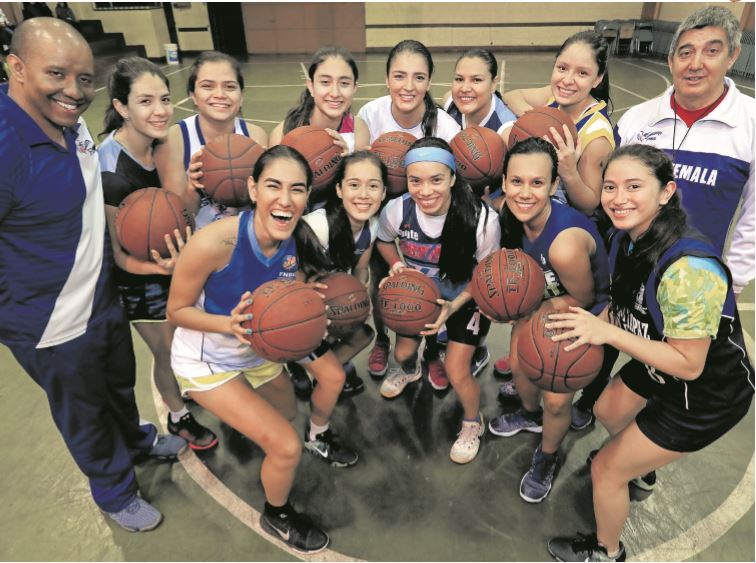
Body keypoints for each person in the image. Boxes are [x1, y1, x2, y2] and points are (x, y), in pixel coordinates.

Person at [0, 18, 186, 533]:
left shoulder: (70, 122)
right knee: (83, 411)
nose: (73, 91)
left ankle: (136, 441)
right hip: (49, 320)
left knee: (118, 386)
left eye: (84, 79)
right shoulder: (6, 145)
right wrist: (16, 310)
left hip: (102, 298)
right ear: (15, 67)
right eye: (56, 74)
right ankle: (114, 490)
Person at [546, 144, 754, 562]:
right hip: (661, 360)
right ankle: (643, 464)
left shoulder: (689, 269)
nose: (618, 197)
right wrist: (592, 318)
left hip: (707, 392)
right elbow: (626, 303)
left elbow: (689, 365)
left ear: (665, 192)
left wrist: (605, 332)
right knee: (606, 409)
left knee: (606, 470)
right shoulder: (628, 238)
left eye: (634, 186)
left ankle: (606, 551)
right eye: (610, 187)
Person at [167, 145, 358, 553]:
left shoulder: (298, 237)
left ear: (308, 196)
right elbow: (177, 310)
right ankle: (278, 513)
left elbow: (288, 284)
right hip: (207, 361)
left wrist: (305, 297)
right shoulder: (213, 242)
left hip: (259, 350)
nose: (285, 199)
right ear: (253, 188)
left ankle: (273, 435)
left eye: (297, 189)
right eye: (273, 186)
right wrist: (229, 324)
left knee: (288, 416)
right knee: (285, 445)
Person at [575, 5, 755, 432]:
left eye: (711, 51)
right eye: (685, 52)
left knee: (666, 361)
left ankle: (643, 448)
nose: (696, 64)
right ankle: (592, 395)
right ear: (671, 59)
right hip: (630, 266)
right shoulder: (639, 119)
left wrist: (732, 278)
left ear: (732, 56)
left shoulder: (751, 123)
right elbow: (612, 191)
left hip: (684, 280)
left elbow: (754, 214)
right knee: (612, 338)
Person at [98, 57, 217, 450]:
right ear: (121, 107)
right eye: (145, 101)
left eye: (164, 99)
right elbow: (118, 256)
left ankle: (185, 391)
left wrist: (195, 185)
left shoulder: (166, 142)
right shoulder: (110, 170)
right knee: (165, 351)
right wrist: (162, 269)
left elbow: (178, 212)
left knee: (186, 338)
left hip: (173, 265)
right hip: (137, 278)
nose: (161, 110)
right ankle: (179, 417)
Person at [487, 138, 609, 502]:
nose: (525, 192)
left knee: (556, 401)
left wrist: (523, 309)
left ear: (554, 186)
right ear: (504, 183)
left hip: (582, 312)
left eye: (537, 183)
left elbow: (584, 298)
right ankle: (528, 414)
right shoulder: (507, 213)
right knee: (522, 371)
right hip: (542, 302)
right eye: (517, 182)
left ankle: (548, 456)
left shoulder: (565, 245)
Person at [495, 30, 615, 381]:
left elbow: (592, 203)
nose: (567, 79)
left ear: (598, 78)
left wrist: (568, 170)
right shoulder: (554, 97)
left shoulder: (596, 134)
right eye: (562, 68)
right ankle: (524, 353)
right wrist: (531, 123)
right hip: (536, 216)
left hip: (568, 229)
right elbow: (513, 94)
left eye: (581, 73)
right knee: (522, 293)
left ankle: (536, 359)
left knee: (543, 302)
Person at [375, 137, 500, 463]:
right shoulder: (398, 209)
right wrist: (398, 266)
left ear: (453, 178)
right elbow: (385, 242)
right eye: (416, 180)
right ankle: (412, 369)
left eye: (436, 180)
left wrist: (454, 306)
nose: (425, 190)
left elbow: (485, 275)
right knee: (401, 352)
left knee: (457, 371)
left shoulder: (482, 220)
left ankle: (473, 421)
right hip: (418, 296)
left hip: (464, 298)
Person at [358, 39, 461, 385]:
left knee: (434, 282)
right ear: (386, 79)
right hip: (382, 210)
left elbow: (456, 182)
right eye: (399, 76)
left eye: (418, 77)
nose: (408, 86)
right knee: (382, 277)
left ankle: (432, 351)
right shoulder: (370, 115)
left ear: (430, 82)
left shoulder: (445, 127)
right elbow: (358, 170)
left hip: (430, 208)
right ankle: (383, 339)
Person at [302, 151, 387, 396]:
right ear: (339, 189)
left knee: (363, 334)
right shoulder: (317, 227)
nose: (363, 194)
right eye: (353, 185)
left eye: (373, 186)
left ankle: (315, 370)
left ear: (383, 193)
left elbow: (360, 270)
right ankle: (299, 362)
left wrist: (359, 298)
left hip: (328, 305)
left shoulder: (371, 226)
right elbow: (282, 277)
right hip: (297, 310)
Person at [154, 50, 267, 230]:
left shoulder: (255, 136)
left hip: (247, 237)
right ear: (192, 94)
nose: (220, 94)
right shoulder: (173, 140)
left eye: (230, 86)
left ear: (242, 96)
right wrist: (193, 188)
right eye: (208, 86)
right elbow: (178, 219)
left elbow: (265, 208)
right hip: (201, 244)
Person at [269, 45, 370, 153]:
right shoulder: (283, 134)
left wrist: (346, 160)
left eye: (344, 83)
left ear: (354, 88)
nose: (335, 93)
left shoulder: (358, 129)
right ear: (311, 86)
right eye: (325, 82)